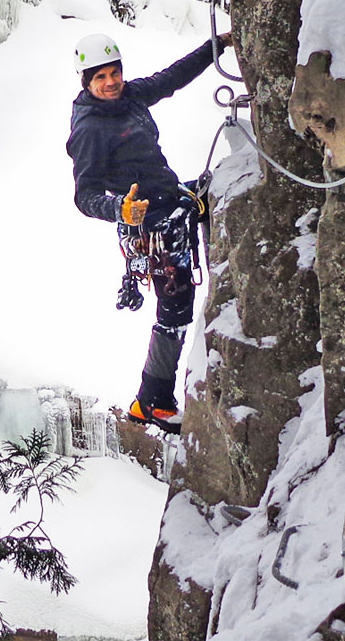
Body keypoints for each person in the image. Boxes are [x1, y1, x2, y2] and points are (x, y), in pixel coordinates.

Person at [66, 30, 233, 432]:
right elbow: (84, 195)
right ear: (86, 82)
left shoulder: (131, 96)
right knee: (174, 312)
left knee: (228, 184)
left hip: (170, 202)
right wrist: (119, 210)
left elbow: (171, 78)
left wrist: (217, 46)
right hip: (149, 229)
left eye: (114, 73)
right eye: (100, 77)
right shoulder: (89, 128)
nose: (110, 83)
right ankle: (151, 401)